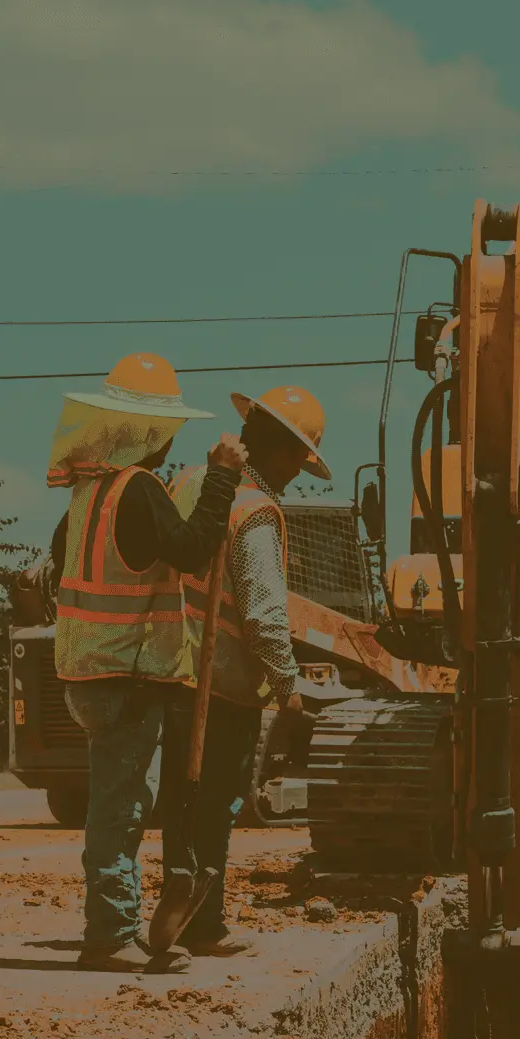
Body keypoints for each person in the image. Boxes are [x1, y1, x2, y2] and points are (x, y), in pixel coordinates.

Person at [47, 351, 246, 972]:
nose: (169, 444)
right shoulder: (139, 490)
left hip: (89, 670)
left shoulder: (88, 495)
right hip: (125, 674)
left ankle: (117, 926)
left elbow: (60, 563)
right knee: (121, 806)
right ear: (149, 432)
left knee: (122, 799)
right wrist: (220, 480)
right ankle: (109, 935)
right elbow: (191, 549)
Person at [162, 384, 330, 955]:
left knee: (181, 802)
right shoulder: (255, 511)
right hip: (223, 685)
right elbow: (262, 613)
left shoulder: (189, 481)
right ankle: (203, 925)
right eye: (298, 462)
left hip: (170, 669)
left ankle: (179, 911)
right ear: (281, 452)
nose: (296, 476)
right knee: (215, 804)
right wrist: (287, 688)